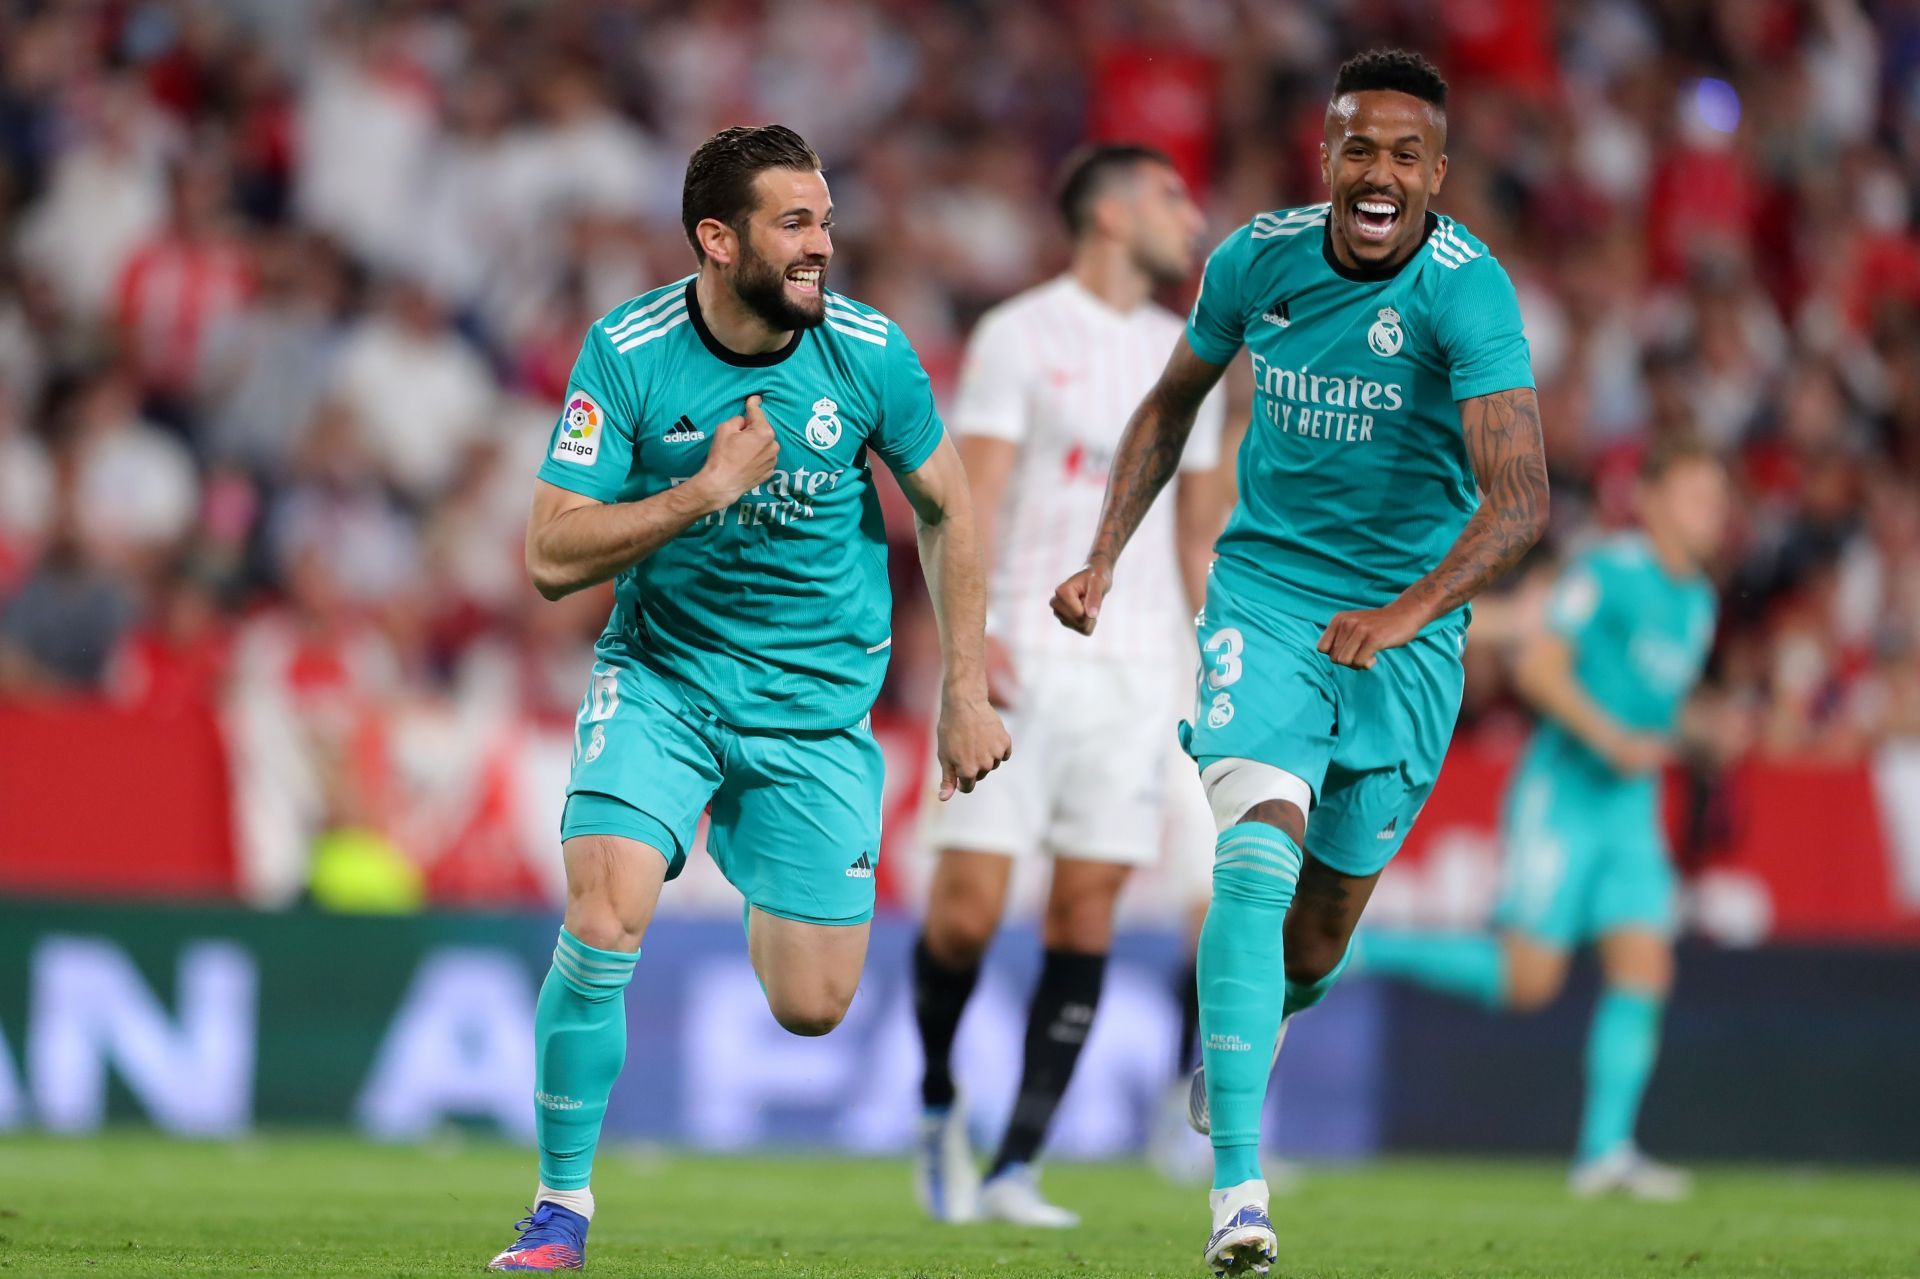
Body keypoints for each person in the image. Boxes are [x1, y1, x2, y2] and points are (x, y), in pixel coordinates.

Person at [1052, 50, 1550, 1277]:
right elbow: (1171, 406)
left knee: (1315, 943)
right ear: (1326, 154)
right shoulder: (1254, 259)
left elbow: (1521, 500)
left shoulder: (1466, 293)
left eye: (1405, 155)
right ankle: (1237, 1192)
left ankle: (1239, 1047)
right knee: (1252, 855)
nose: (1378, 173)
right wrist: (1104, 555)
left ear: (1436, 171)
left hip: (1409, 634)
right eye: (1357, 148)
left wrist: (1407, 608)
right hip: (1265, 598)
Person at [487, 124, 1011, 1273]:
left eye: (825, 219)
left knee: (814, 1005)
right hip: (664, 678)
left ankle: (746, 840)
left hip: (815, 713)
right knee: (603, 909)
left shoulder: (871, 354)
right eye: (796, 224)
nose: (824, 244)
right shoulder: (626, 351)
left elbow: (951, 508)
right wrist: (700, 492)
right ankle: (559, 1211)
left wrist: (963, 691)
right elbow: (550, 554)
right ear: (717, 241)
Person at [909, 143, 1226, 1227]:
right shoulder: (1019, 335)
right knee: (964, 914)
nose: (1193, 215)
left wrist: (1216, 659)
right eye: (1172, 195)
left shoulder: (1192, 355)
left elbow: (1197, 529)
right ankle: (939, 1101)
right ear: (1109, 213)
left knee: (1087, 905)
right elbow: (970, 495)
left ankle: (1014, 1165)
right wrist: (970, 637)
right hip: (1022, 665)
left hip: (1139, 672)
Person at [1356, 437, 1729, 1201]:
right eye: (1695, 495)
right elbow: (1536, 665)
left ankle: (1604, 1153)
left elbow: (1656, 699)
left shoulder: (1700, 601)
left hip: (1629, 807)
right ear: (1652, 502)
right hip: (1563, 791)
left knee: (1645, 965)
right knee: (1530, 979)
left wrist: (1700, 730)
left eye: (1717, 500)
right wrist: (1608, 736)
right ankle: (1365, 948)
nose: (1711, 514)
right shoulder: (1608, 573)